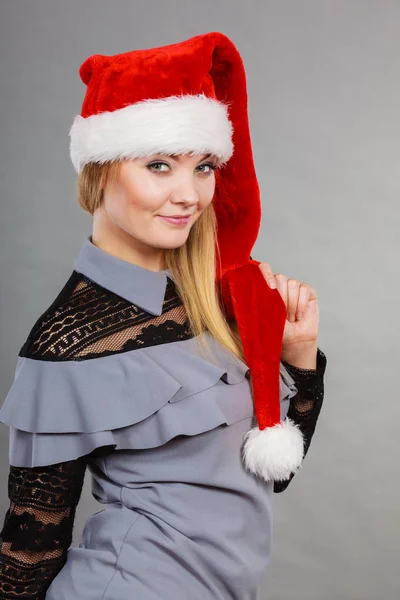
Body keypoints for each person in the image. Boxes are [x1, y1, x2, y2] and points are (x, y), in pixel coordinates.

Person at [0, 31, 327, 599]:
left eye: (203, 167)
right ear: (100, 171)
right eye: (158, 165)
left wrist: (298, 357)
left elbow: (269, 476)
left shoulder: (209, 304)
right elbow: (26, 556)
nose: (189, 195)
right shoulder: (66, 343)